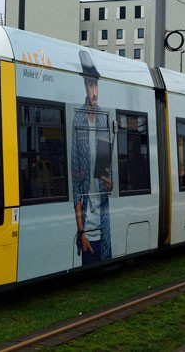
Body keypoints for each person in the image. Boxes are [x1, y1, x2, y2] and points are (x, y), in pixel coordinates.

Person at [72, 50, 113, 265]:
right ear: (85, 87)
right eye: (90, 85)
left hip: (103, 220)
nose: (95, 92)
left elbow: (108, 176)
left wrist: (109, 183)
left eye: (96, 85)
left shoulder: (104, 121)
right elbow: (75, 182)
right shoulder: (77, 119)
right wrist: (81, 232)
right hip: (87, 224)